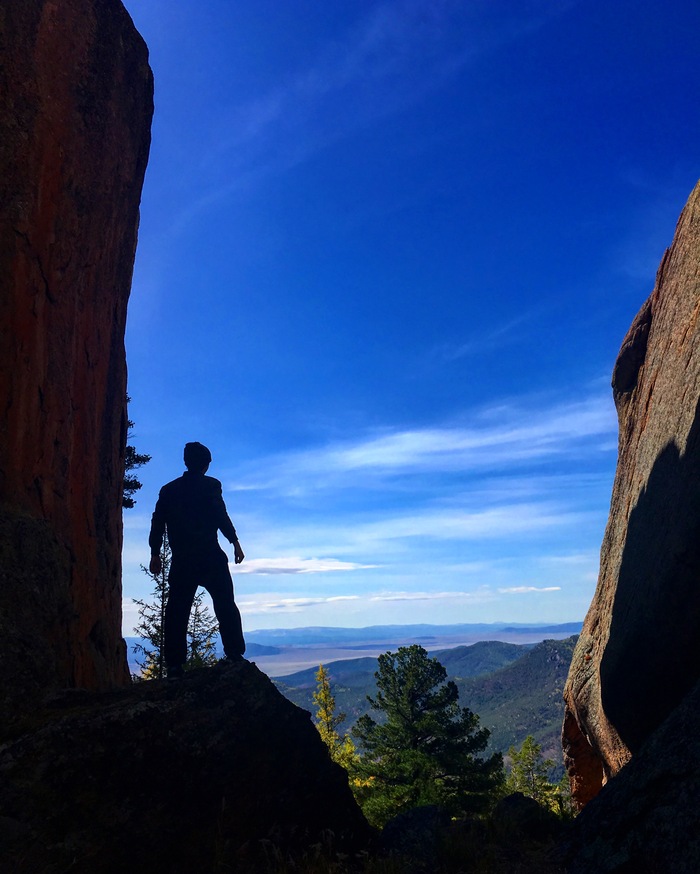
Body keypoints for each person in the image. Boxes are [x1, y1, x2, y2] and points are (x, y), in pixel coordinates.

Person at [148, 441, 245, 678]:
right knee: (225, 605)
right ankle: (234, 654)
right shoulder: (211, 486)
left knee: (177, 611)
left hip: (182, 560)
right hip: (210, 555)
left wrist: (154, 553)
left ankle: (174, 665)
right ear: (205, 464)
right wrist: (234, 541)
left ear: (186, 461)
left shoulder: (169, 490)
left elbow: (158, 522)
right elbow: (220, 515)